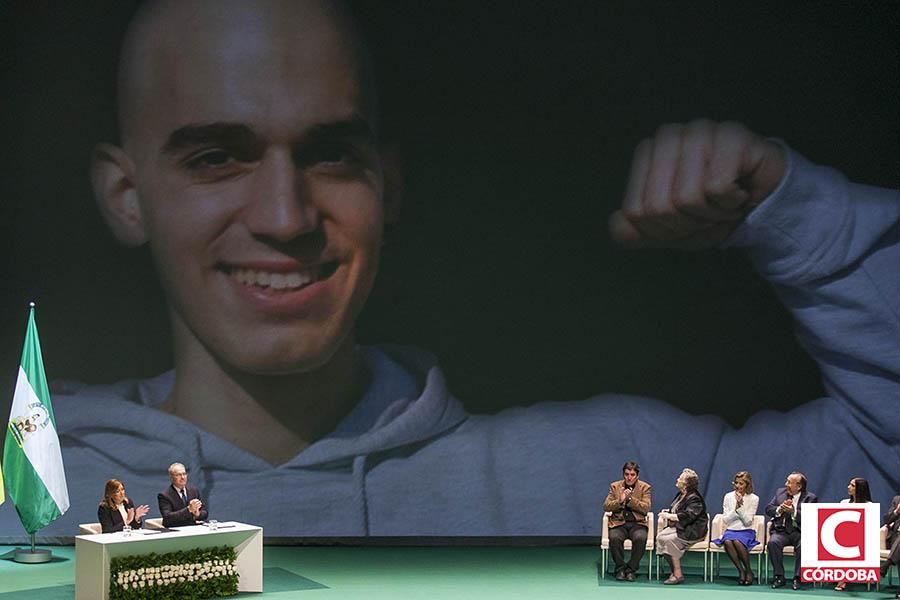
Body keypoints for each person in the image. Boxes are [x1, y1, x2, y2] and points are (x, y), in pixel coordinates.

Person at [1, 0, 898, 540]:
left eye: (331, 156)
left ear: (388, 185)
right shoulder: (20, 507)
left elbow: (881, 508)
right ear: (125, 195)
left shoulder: (599, 484)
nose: (284, 217)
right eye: (216, 158)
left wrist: (803, 215)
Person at [765, 472, 817, 590]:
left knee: (804, 545)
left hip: (799, 532)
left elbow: (810, 518)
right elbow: (768, 509)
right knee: (773, 543)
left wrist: (793, 512)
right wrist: (780, 509)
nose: (786, 484)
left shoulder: (810, 498)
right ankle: (779, 576)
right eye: (787, 481)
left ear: (798, 486)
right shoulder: (780, 493)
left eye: (789, 482)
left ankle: (798, 578)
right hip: (781, 531)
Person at [656, 468, 708, 585]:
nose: (677, 479)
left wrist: (670, 516)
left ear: (686, 484)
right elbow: (676, 510)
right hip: (681, 527)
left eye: (680, 478)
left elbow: (688, 515)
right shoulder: (681, 495)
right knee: (660, 537)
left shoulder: (694, 498)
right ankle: (674, 570)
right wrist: (669, 514)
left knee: (669, 541)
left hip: (693, 530)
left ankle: (678, 574)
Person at [603, 461, 652, 581]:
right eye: (627, 474)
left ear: (637, 476)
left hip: (637, 523)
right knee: (614, 538)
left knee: (640, 538)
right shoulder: (615, 486)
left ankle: (631, 569)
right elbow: (606, 506)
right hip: (619, 523)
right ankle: (620, 569)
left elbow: (646, 508)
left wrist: (630, 499)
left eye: (632, 474)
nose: (629, 477)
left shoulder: (645, 487)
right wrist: (619, 500)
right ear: (623, 474)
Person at [711, 470, 759, 585]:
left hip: (746, 530)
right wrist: (736, 509)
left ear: (747, 484)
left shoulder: (754, 498)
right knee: (727, 541)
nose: (738, 486)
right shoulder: (728, 496)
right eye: (736, 483)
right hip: (731, 529)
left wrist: (740, 507)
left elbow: (748, 521)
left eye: (741, 484)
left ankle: (748, 570)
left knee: (737, 541)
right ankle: (741, 571)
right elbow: (726, 519)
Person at [832, 477, 873, 591]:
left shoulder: (868, 505)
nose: (848, 487)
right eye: (849, 484)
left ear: (860, 489)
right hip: (842, 535)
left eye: (852, 485)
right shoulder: (843, 502)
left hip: (861, 537)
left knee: (848, 544)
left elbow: (868, 526)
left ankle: (843, 578)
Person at [158, 463, 207, 528]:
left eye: (184, 474)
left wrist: (197, 514)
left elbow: (205, 512)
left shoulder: (194, 491)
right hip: (174, 530)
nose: (182, 477)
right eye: (178, 475)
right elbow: (168, 517)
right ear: (171, 477)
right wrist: (189, 510)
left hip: (193, 529)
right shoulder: (164, 495)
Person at [881, 494, 900, 580]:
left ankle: (887, 564)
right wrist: (897, 511)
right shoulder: (897, 499)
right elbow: (887, 521)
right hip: (895, 539)